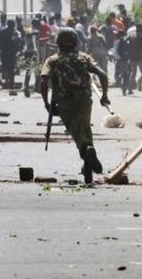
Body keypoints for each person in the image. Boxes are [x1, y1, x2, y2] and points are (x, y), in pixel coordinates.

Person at [40, 28, 110, 184]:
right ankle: (88, 165)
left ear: (58, 42)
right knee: (84, 128)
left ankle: (86, 150)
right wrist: (104, 95)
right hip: (84, 99)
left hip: (65, 101)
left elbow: (43, 81)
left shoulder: (52, 60)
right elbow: (103, 75)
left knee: (76, 131)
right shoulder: (84, 58)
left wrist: (46, 103)